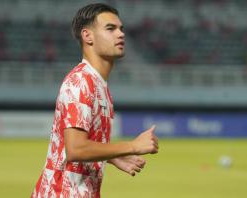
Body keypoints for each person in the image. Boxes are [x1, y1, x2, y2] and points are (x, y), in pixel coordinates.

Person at [31, 3, 159, 198]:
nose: (121, 34)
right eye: (111, 28)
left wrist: (112, 157)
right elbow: (76, 148)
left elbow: (82, 145)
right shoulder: (80, 83)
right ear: (87, 36)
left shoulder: (98, 85)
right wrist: (132, 146)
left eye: (121, 29)